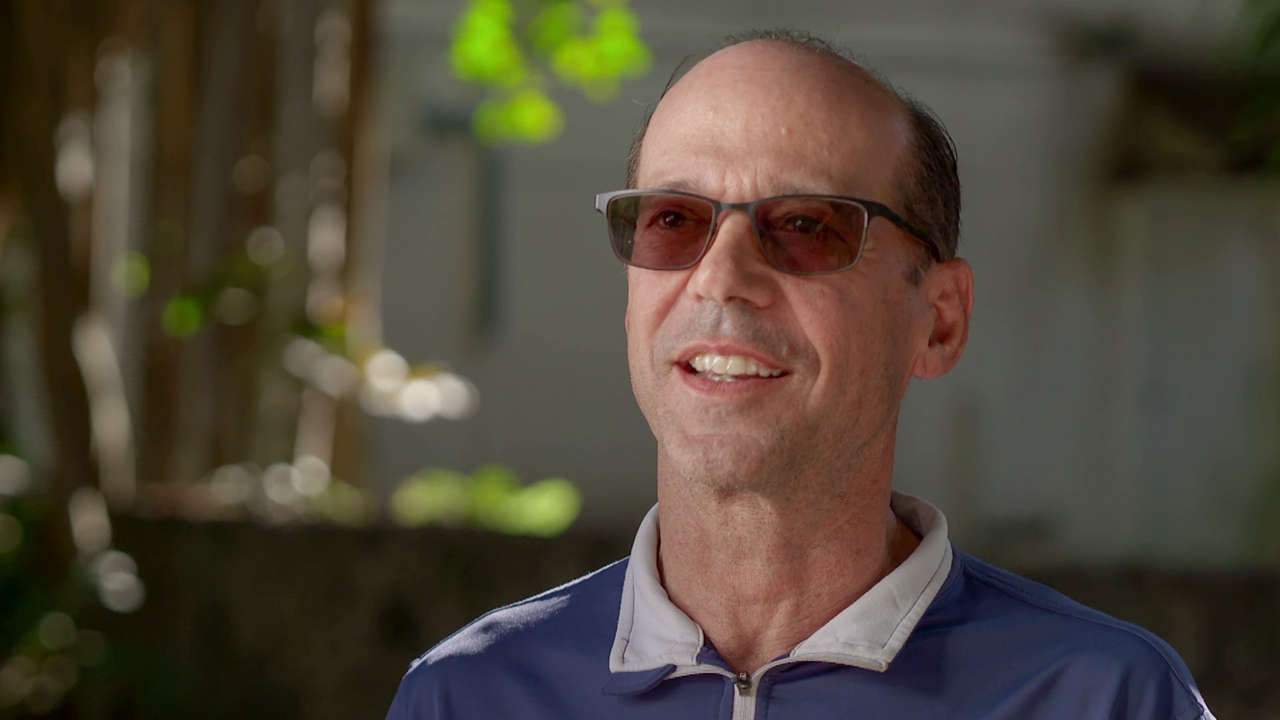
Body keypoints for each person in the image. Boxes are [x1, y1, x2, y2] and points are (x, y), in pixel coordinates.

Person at [385, 30, 1215, 719]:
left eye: (808, 226)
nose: (720, 278)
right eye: (673, 219)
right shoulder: (468, 697)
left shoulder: (1104, 699)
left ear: (939, 320)